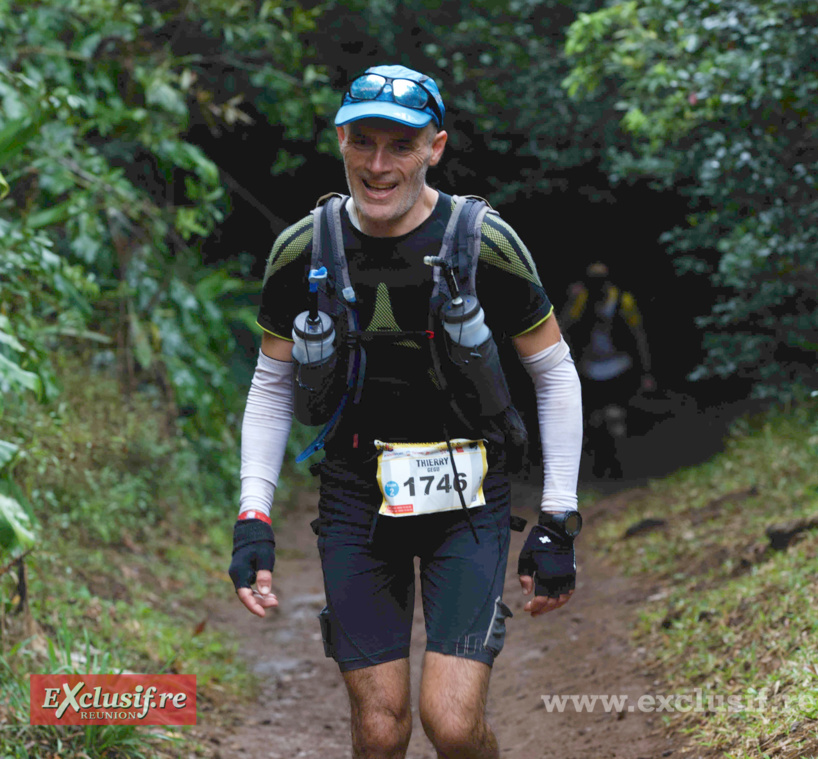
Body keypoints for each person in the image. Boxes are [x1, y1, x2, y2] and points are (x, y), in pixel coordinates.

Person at [227, 64, 584, 759]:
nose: (378, 164)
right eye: (363, 142)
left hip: (468, 491)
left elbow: (554, 372)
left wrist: (559, 519)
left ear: (435, 147)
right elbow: (271, 386)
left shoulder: (485, 242)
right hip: (354, 493)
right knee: (381, 729)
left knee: (452, 724)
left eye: (401, 145)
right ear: (341, 141)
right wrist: (253, 517)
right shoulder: (303, 249)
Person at [559, 262, 655, 478]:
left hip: (620, 366)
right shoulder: (582, 300)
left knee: (616, 416)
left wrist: (646, 370)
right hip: (591, 369)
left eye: (600, 281)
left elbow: (638, 334)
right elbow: (562, 327)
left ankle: (626, 465)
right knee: (595, 420)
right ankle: (604, 466)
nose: (596, 285)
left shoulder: (623, 300)